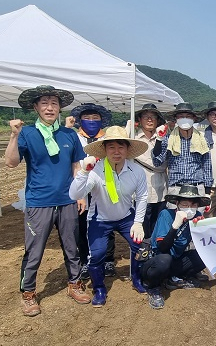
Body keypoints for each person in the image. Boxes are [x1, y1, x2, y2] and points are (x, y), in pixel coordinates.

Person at [5, 85, 90, 316]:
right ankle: (29, 293)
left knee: (72, 247)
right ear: (36, 107)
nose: (50, 107)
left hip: (67, 200)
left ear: (60, 108)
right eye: (44, 103)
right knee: (34, 251)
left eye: (54, 103)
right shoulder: (27, 133)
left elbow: (76, 166)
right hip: (38, 202)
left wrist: (80, 194)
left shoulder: (69, 134)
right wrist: (14, 135)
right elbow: (11, 162)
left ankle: (74, 284)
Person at [69, 126, 149, 307]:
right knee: (97, 255)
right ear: (104, 150)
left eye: (121, 147)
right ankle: (99, 288)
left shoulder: (136, 171)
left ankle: (136, 279)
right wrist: (83, 173)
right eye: (111, 147)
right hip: (100, 219)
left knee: (139, 248)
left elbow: (143, 196)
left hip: (126, 217)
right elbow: (74, 195)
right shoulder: (95, 171)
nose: (116, 151)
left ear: (128, 149)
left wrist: (138, 222)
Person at [140, 185, 209, 309]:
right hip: (156, 262)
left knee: (206, 254)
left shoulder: (196, 216)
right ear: (177, 204)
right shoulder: (166, 215)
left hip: (176, 260)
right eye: (185, 204)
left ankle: (175, 279)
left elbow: (202, 241)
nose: (189, 209)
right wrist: (175, 226)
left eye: (193, 205)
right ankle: (153, 287)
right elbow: (162, 248)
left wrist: (202, 229)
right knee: (164, 260)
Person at [65, 103, 113, 279]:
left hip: (104, 185)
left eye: (95, 118)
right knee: (83, 224)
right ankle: (86, 260)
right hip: (83, 186)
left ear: (101, 121)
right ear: (80, 121)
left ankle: (108, 259)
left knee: (106, 221)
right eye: (87, 118)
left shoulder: (107, 138)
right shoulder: (75, 138)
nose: (91, 122)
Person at [152, 102, 213, 197]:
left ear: (194, 118)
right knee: (175, 212)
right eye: (181, 116)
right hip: (176, 188)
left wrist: (207, 192)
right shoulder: (168, 139)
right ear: (176, 119)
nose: (184, 119)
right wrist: (159, 140)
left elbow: (207, 165)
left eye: (188, 116)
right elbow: (157, 161)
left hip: (197, 187)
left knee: (196, 212)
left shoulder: (202, 140)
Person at [131, 103, 169, 239]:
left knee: (158, 227)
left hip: (161, 190)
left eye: (153, 117)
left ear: (158, 120)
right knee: (143, 228)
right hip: (141, 191)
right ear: (139, 120)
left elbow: (165, 163)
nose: (149, 119)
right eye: (145, 116)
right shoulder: (133, 140)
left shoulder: (164, 139)